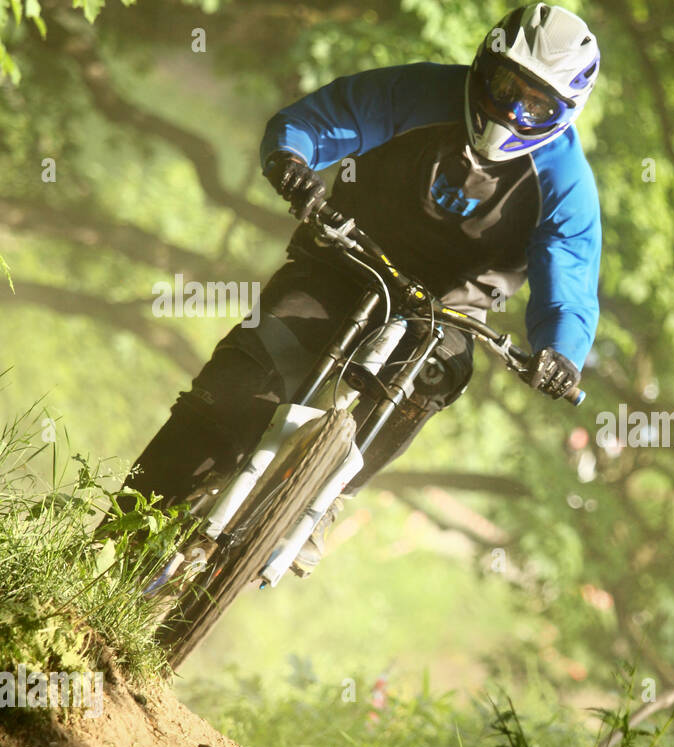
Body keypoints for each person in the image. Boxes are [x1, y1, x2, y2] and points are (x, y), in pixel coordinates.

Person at [124, 2, 602, 575]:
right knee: (241, 377)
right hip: (344, 257)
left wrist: (561, 354)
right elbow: (321, 120)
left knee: (438, 373)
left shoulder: (566, 185)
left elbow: (568, 285)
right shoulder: (418, 92)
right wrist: (291, 160)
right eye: (505, 87)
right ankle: (121, 529)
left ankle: (330, 494)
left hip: (445, 312)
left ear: (566, 112)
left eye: (537, 104)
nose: (513, 111)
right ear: (483, 66)